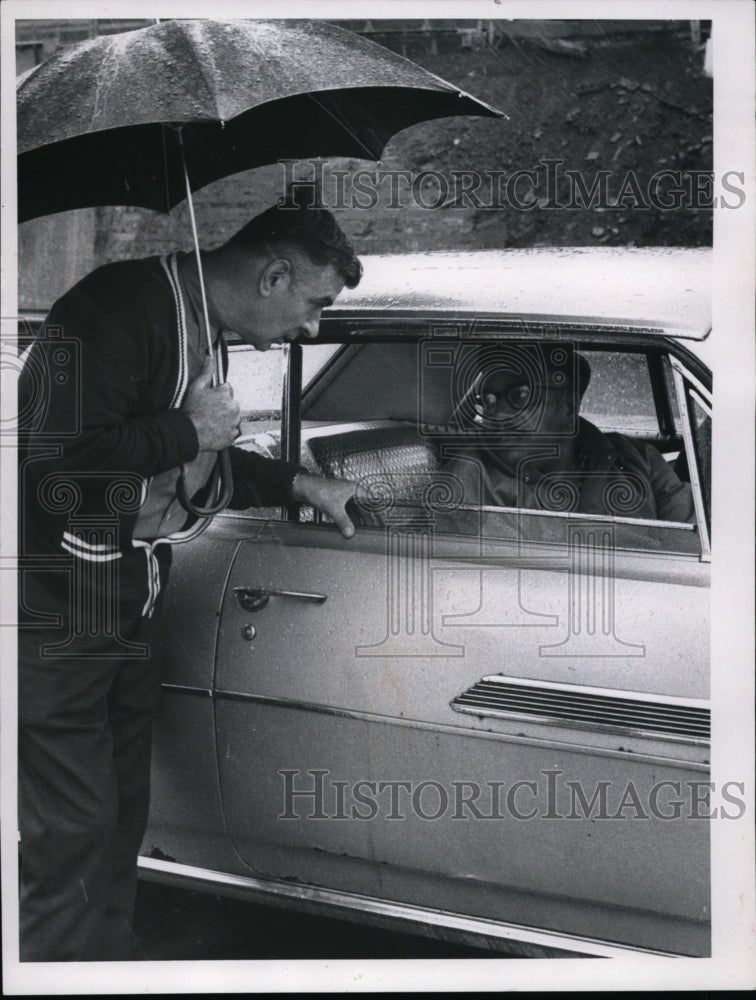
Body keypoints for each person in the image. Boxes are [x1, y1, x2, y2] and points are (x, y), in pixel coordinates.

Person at [17, 197, 361, 961]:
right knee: (70, 827)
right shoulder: (111, 309)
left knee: (119, 816)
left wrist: (297, 486)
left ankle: (96, 965)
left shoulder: (205, 329)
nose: (311, 329)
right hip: (59, 606)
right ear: (273, 275)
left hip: (130, 594)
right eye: (314, 305)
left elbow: (187, 469)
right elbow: (49, 465)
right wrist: (187, 427)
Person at [440, 343, 695, 524]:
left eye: (521, 395)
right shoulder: (469, 476)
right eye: (490, 400)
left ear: (568, 407)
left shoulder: (639, 459)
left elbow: (695, 546)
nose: (498, 415)